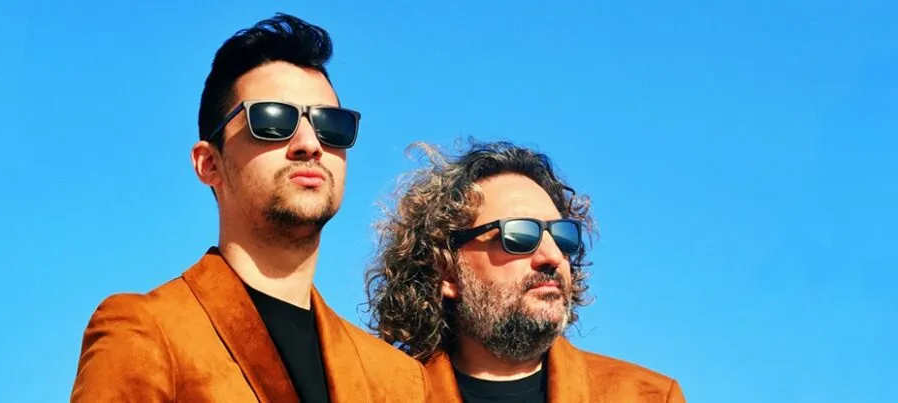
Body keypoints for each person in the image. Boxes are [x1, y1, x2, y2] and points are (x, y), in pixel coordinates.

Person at [70, 13, 433, 403]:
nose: (310, 144)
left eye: (332, 125)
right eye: (272, 120)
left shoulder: (402, 382)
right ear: (209, 164)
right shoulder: (146, 333)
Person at [364, 140, 685, 402]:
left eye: (562, 237)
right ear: (446, 271)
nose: (552, 256)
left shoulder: (647, 396)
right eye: (518, 235)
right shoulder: (380, 394)